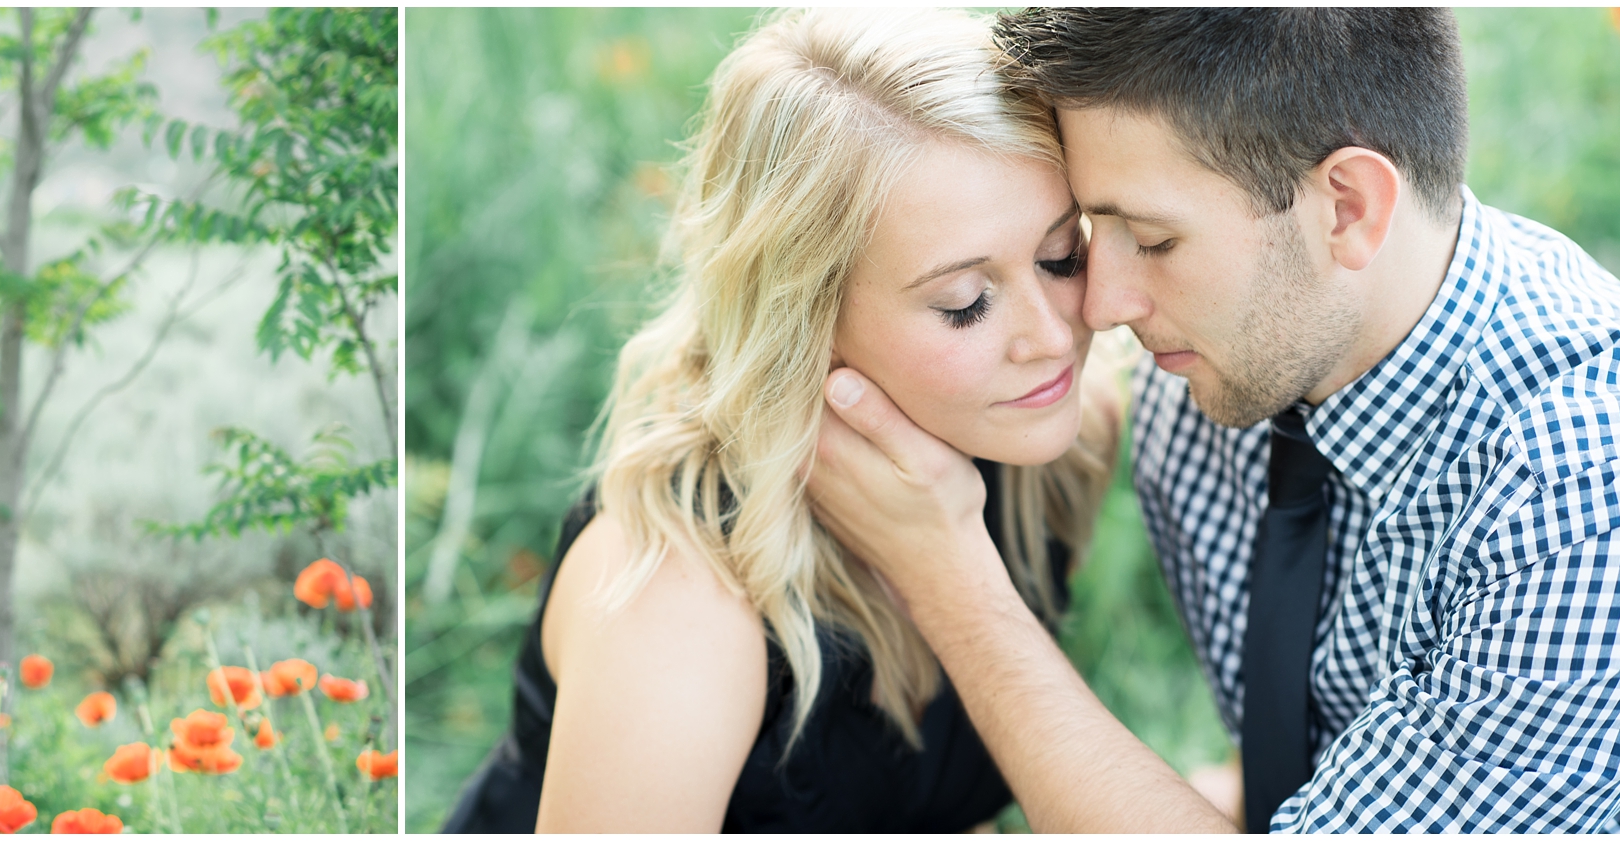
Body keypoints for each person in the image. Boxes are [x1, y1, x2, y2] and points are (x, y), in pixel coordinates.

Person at [809, 8, 1620, 833]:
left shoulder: (1591, 501)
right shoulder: (1205, 382)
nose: (1098, 307)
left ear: (1347, 208)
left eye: (1155, 240)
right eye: (1094, 235)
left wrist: (950, 579)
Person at [443, 8, 1125, 832]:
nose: (1055, 337)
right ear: (806, 315)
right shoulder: (683, 599)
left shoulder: (1058, 435)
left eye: (1061, 256)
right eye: (965, 303)